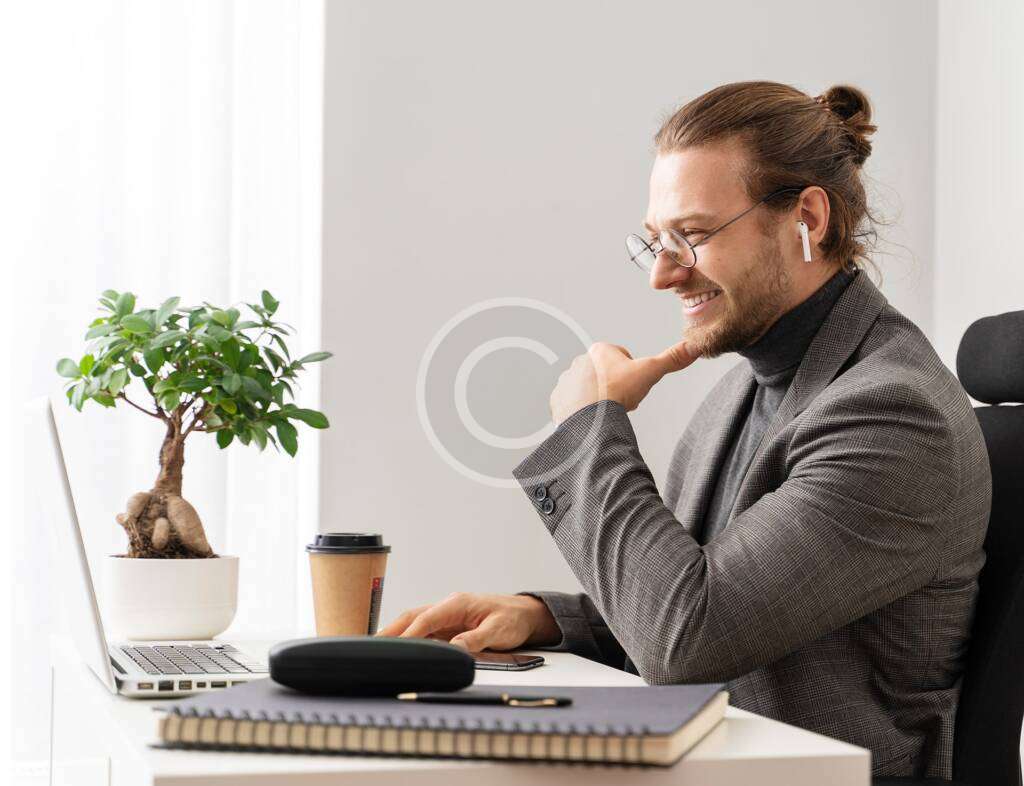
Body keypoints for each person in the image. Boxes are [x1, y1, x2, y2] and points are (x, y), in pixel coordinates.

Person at [377, 81, 991, 779]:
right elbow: (713, 601)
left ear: (809, 218)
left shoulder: (891, 416)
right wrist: (543, 617)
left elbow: (688, 638)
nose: (663, 275)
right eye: (655, 243)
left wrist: (588, 428)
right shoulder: (747, 386)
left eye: (692, 237)